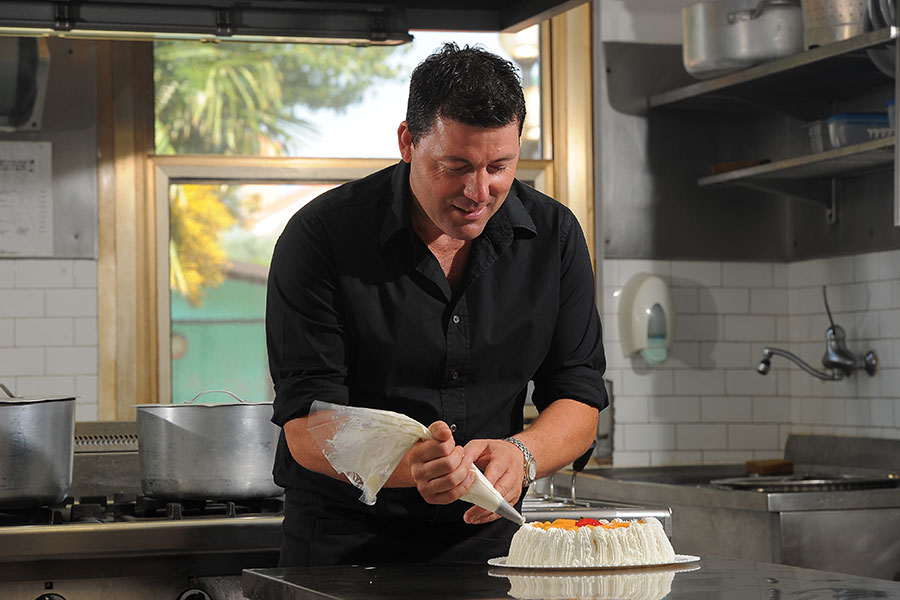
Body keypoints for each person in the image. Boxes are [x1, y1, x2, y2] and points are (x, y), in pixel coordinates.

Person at [265, 42, 608, 567]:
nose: (479, 191)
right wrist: (413, 466)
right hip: (343, 545)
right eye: (455, 166)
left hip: (491, 545)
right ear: (407, 141)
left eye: (500, 166)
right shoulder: (322, 236)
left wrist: (523, 454)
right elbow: (307, 421)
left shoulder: (555, 236)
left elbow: (579, 397)